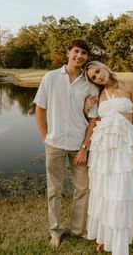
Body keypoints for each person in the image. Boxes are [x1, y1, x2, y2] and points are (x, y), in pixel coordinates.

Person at [33, 39, 98, 249]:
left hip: (78, 145)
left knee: (83, 188)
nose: (79, 56)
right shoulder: (50, 78)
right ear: (68, 52)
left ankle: (78, 229)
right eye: (76, 51)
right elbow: (40, 110)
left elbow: (93, 120)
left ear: (87, 58)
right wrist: (46, 138)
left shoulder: (90, 84)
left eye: (84, 53)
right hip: (55, 144)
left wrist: (84, 148)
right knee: (54, 190)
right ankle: (56, 231)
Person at [84, 61, 133, 255]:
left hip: (124, 147)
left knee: (120, 194)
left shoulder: (130, 86)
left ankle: (118, 243)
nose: (98, 77)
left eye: (98, 71)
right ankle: (104, 236)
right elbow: (94, 120)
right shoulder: (99, 96)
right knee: (103, 193)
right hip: (102, 149)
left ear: (104, 67)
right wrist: (86, 108)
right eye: (93, 77)